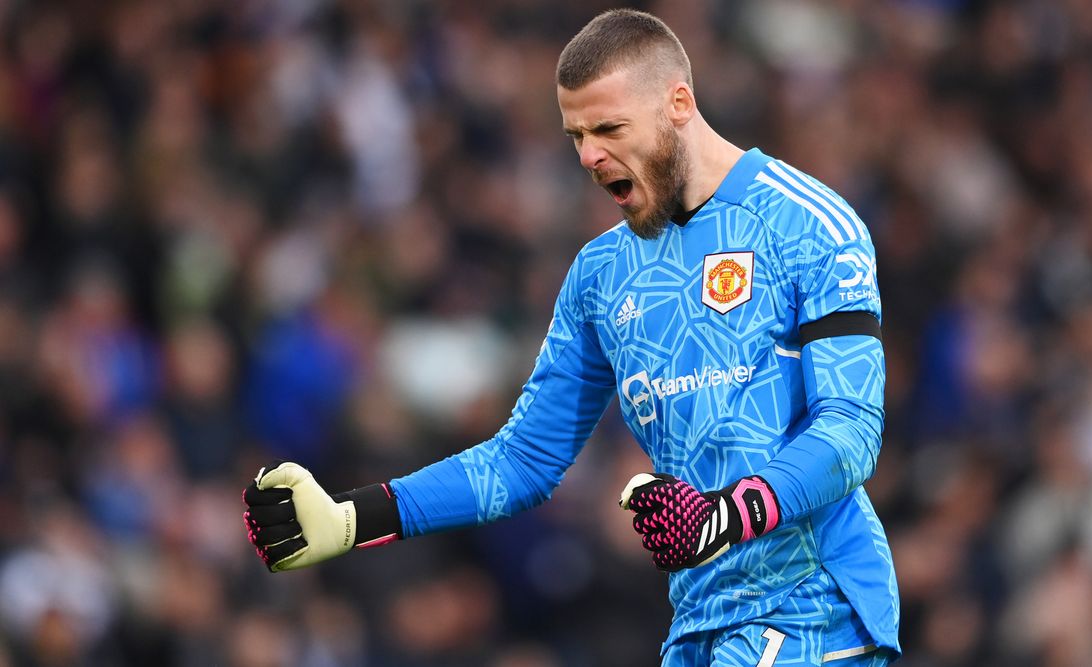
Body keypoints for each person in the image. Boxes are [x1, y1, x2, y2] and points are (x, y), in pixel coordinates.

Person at [243, 9, 898, 665]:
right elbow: (522, 459)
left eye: (609, 128)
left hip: (817, 607)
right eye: (577, 135)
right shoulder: (602, 275)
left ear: (678, 104)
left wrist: (724, 514)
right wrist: (353, 517)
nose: (589, 156)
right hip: (702, 622)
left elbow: (850, 431)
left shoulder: (808, 222)